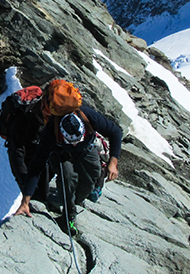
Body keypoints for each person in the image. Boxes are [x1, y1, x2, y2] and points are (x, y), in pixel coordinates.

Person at [13, 79, 122, 234]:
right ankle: (68, 218)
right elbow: (36, 165)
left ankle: (74, 201)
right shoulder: (51, 132)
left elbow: (115, 132)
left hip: (87, 149)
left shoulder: (88, 116)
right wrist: (26, 200)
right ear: (63, 135)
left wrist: (113, 161)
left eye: (77, 140)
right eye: (71, 141)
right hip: (61, 153)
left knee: (91, 180)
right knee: (67, 177)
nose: (75, 144)